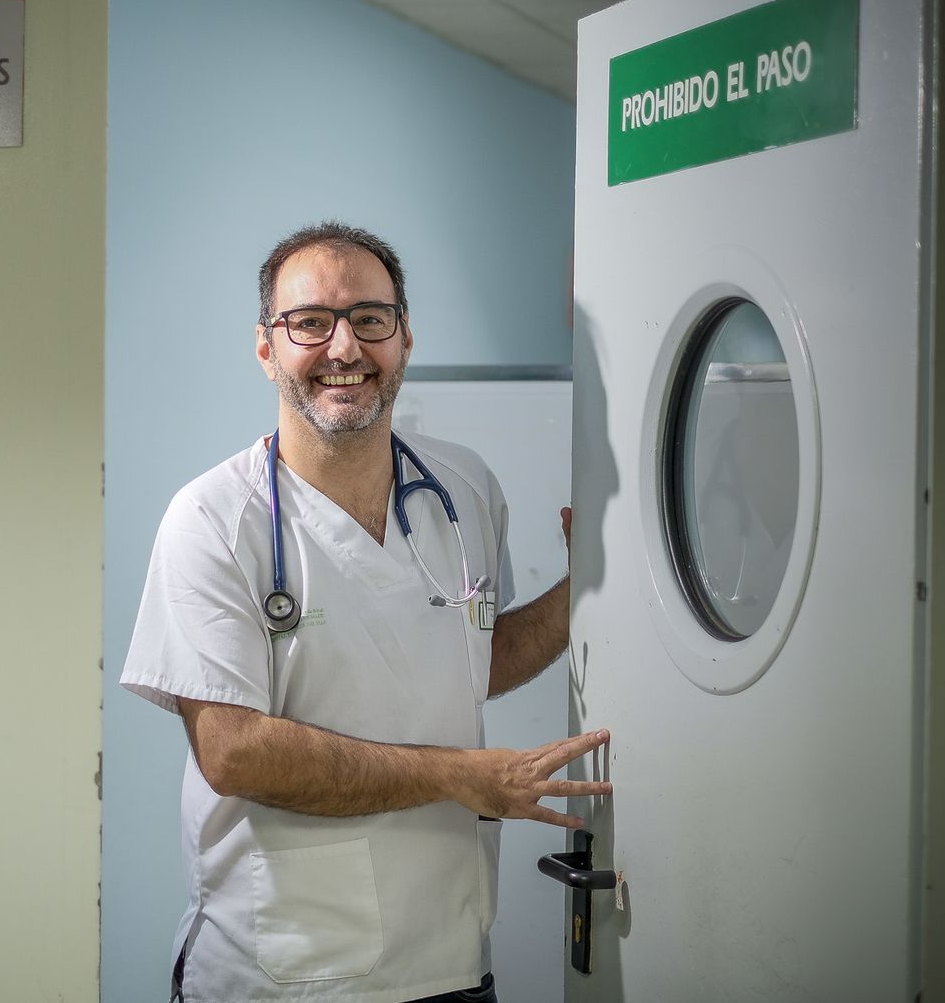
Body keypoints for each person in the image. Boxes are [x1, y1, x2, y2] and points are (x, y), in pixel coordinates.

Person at [121, 222, 612, 1003]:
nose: (344, 347)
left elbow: (470, 657)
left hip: (451, 963)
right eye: (310, 322)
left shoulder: (465, 490)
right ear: (265, 348)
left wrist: (590, 585)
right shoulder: (213, 519)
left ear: (405, 338)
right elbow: (234, 752)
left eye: (370, 319)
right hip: (281, 972)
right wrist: (461, 778)